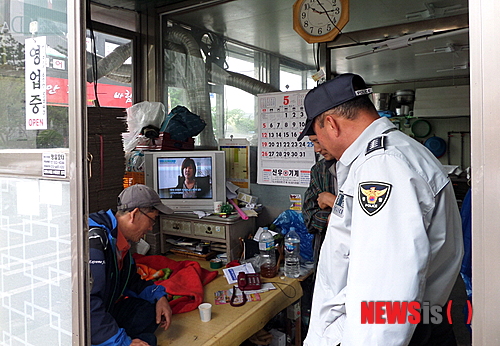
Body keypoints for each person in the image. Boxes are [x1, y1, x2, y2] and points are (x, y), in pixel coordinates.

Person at [298, 73, 464, 345]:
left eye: (316, 136)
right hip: (418, 321)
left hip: (402, 333)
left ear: (331, 124)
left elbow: (385, 289)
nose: (320, 147)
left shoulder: (383, 166)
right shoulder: (394, 153)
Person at [89, 184, 174, 346]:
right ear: (135, 214)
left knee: (151, 312)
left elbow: (132, 281)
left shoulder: (120, 238)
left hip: (105, 309)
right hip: (82, 323)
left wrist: (159, 296)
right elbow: (88, 303)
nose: (150, 228)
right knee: (149, 340)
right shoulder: (95, 240)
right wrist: (122, 342)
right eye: (152, 220)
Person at [302, 134, 337, 264]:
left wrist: (332, 201)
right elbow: (309, 217)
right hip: (325, 250)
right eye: (313, 143)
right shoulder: (319, 170)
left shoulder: (362, 167)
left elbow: (363, 217)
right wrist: (331, 218)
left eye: (319, 141)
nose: (317, 149)